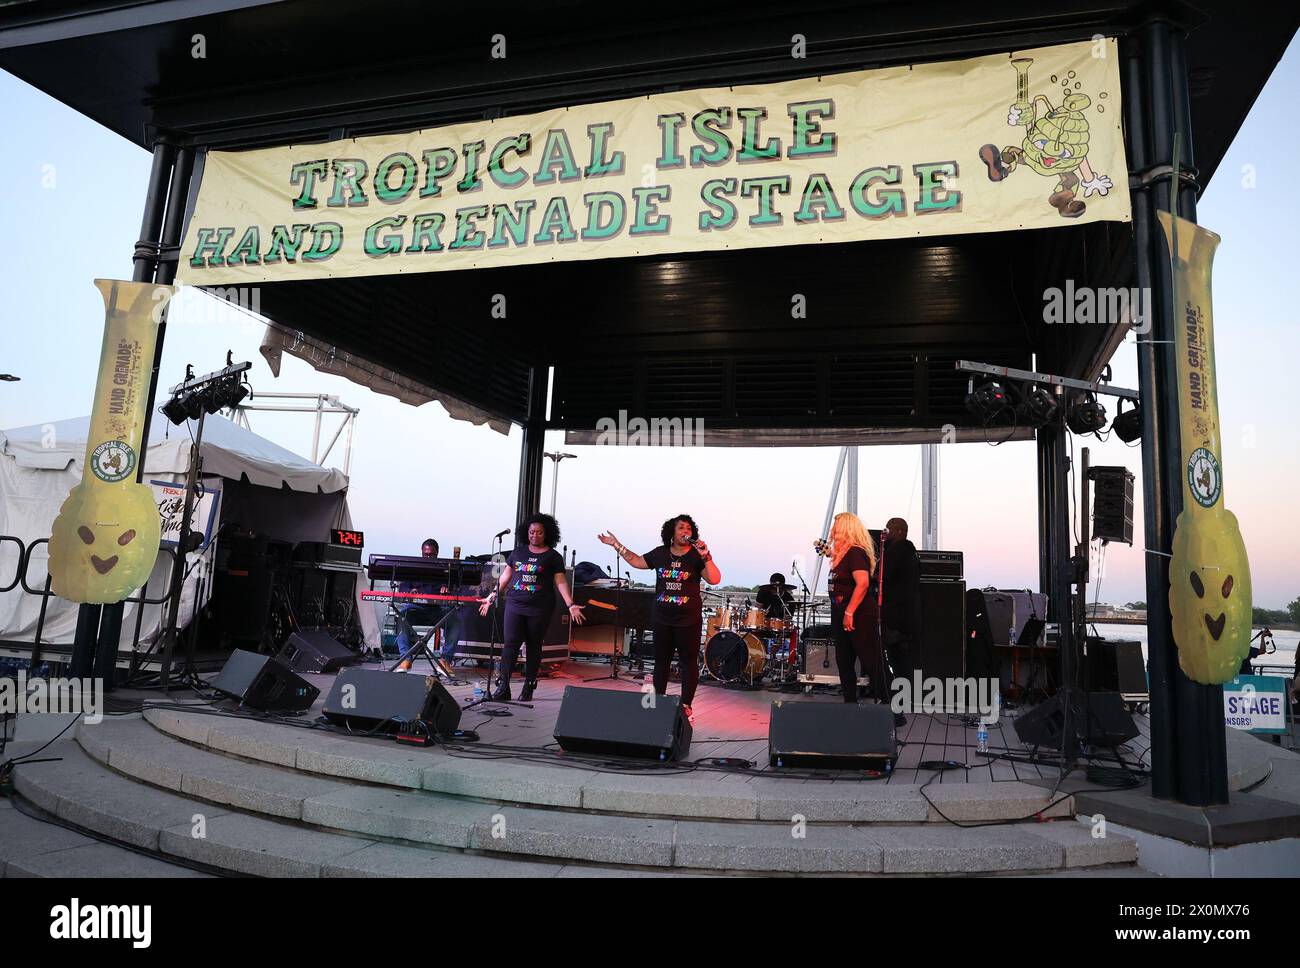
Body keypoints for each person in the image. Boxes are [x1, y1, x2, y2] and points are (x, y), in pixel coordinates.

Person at [598, 514, 721, 724]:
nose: (686, 532)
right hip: (662, 617)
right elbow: (636, 561)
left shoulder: (696, 556)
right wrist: (616, 545)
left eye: (689, 529)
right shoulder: (660, 553)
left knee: (688, 662)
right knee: (661, 662)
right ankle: (658, 704)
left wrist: (706, 556)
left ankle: (686, 705)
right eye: (681, 528)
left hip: (688, 619)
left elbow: (715, 579)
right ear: (671, 533)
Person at [480, 513, 584, 701]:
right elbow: (506, 576)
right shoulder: (518, 552)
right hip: (515, 603)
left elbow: (560, 582)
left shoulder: (553, 556)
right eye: (531, 532)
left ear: (547, 534)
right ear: (526, 533)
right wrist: (492, 595)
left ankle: (529, 686)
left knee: (533, 645)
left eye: (539, 533)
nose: (534, 536)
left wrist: (570, 604)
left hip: (540, 607)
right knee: (510, 645)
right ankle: (503, 686)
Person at [824, 512, 897, 722]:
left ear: (846, 528)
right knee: (844, 661)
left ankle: (893, 710)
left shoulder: (856, 552)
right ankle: (850, 707)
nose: (833, 531)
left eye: (836, 526)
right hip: (841, 609)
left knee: (871, 660)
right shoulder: (845, 553)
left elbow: (863, 583)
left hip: (859, 612)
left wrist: (849, 612)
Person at [880, 518, 920, 696]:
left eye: (888, 529)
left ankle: (899, 695)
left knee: (896, 657)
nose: (885, 533)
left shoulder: (896, 551)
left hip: (895, 614)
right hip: (908, 614)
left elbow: (883, 576)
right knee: (903, 657)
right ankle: (906, 695)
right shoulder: (911, 552)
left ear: (898, 531)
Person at [393, 538, 446, 657]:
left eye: (431, 555)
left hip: (437, 611)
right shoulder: (413, 568)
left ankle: (446, 660)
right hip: (416, 609)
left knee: (455, 621)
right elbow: (403, 588)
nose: (427, 558)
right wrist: (410, 591)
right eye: (425, 555)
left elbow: (453, 588)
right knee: (402, 616)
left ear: (437, 554)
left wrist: (446, 588)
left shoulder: (445, 570)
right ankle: (405, 658)